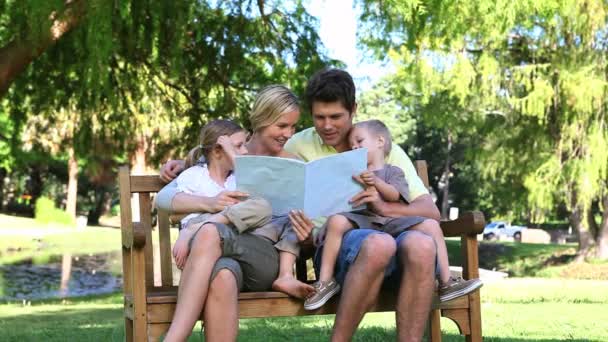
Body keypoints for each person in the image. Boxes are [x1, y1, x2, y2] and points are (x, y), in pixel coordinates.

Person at [282, 68, 444, 341]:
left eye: (336, 117)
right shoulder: (298, 145)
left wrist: (384, 207)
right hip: (337, 252)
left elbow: (430, 211)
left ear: (353, 109)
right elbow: (261, 168)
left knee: (421, 244)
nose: (327, 125)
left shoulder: (379, 146)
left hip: (394, 245)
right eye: (319, 117)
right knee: (378, 244)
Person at [159, 85, 314, 342]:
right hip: (224, 251)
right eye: (282, 126)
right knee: (222, 273)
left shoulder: (293, 165)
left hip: (265, 257)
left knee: (209, 232)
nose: (289, 134)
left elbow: (296, 228)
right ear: (262, 120)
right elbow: (168, 196)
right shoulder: (230, 151)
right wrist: (206, 198)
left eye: (293, 127)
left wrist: (306, 235)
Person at [303, 119, 482, 310]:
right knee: (337, 221)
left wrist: (376, 182)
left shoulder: (393, 171)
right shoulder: (352, 173)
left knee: (431, 225)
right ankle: (325, 282)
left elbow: (395, 195)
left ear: (379, 141)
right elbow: (341, 203)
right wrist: (328, 223)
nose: (354, 147)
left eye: (359, 141)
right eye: (352, 145)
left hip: (392, 222)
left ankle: (447, 282)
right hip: (364, 220)